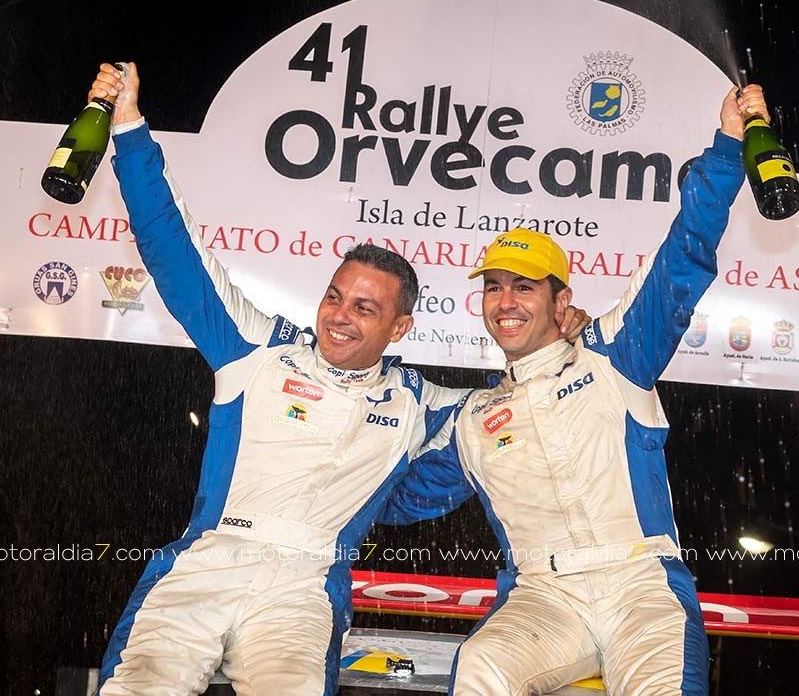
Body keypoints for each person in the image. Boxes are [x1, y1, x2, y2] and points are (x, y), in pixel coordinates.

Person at [87, 62, 587, 696]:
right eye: (334, 297)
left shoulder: (426, 406)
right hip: (206, 566)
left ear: (400, 328)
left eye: (364, 308)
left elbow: (527, 402)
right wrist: (130, 130)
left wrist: (567, 340)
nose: (339, 316)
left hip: (303, 592)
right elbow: (171, 248)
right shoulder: (255, 350)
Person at [380, 84, 766, 695]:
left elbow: (681, 256)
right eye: (494, 287)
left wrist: (725, 151)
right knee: (480, 666)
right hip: (544, 598)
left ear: (562, 299)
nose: (506, 301)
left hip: (641, 587)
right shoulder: (472, 418)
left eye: (524, 287)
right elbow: (391, 498)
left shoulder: (616, 354)